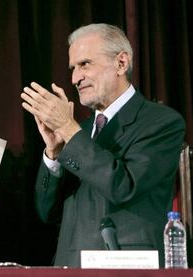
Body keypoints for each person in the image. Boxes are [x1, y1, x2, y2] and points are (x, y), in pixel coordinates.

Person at [21, 23, 185, 268]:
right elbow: (48, 213)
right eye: (73, 68)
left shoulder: (161, 123)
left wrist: (67, 128)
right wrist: (53, 154)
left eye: (85, 64)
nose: (75, 78)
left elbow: (124, 186)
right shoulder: (81, 132)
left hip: (127, 269)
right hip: (70, 267)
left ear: (121, 63)